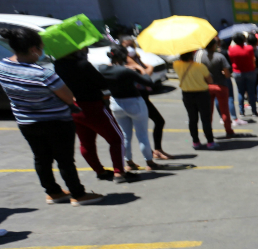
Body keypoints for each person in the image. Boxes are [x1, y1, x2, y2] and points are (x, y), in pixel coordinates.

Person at [0, 27, 102, 205]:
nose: (42, 52)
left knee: (41, 157)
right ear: (33, 50)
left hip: (26, 122)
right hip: (56, 122)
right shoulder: (44, 74)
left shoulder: (2, 66)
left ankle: (53, 192)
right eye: (41, 48)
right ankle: (78, 194)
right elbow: (68, 97)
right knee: (65, 160)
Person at [53, 48, 127, 182]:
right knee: (117, 139)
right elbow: (101, 82)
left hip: (73, 107)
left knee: (86, 142)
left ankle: (100, 171)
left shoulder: (58, 65)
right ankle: (119, 172)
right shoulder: (83, 64)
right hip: (93, 106)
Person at [100, 45, 162, 173]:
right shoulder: (126, 71)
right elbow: (148, 82)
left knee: (125, 135)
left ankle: (129, 162)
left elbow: (110, 69)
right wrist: (140, 68)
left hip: (116, 103)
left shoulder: (103, 68)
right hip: (134, 102)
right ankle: (149, 162)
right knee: (142, 134)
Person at [120, 36, 170, 160]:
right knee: (153, 124)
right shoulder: (127, 61)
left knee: (156, 122)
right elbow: (146, 74)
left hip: (143, 96)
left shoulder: (135, 57)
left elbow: (145, 70)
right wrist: (147, 68)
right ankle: (150, 156)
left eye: (132, 45)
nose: (130, 48)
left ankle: (156, 151)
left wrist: (145, 67)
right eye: (127, 46)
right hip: (137, 97)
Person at [173, 50, 216, 149]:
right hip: (202, 94)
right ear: (192, 56)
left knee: (192, 119)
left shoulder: (176, 64)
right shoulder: (200, 66)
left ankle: (195, 141)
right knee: (205, 118)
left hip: (187, 94)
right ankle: (210, 141)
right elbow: (210, 80)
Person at [196, 38, 236, 138]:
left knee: (208, 111)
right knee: (224, 110)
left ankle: (208, 131)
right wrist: (223, 73)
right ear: (214, 46)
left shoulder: (200, 56)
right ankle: (228, 130)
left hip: (206, 86)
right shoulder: (220, 57)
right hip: (220, 85)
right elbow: (227, 74)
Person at [228, 33, 258, 118]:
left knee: (240, 92)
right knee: (251, 92)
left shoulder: (231, 49)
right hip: (250, 71)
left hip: (237, 73)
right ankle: (254, 111)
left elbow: (231, 60)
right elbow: (253, 59)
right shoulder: (249, 48)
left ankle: (241, 112)